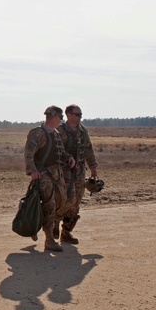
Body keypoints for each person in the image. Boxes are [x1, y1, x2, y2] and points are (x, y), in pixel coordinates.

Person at [24, 106, 75, 252]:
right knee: (49, 205)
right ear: (55, 118)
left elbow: (61, 151)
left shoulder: (56, 134)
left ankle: (35, 223)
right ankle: (49, 239)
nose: (61, 121)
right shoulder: (38, 133)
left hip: (57, 174)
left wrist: (68, 157)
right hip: (44, 175)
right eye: (60, 118)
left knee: (64, 201)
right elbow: (28, 153)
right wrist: (32, 171)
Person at [57, 104, 99, 245]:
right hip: (63, 172)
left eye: (81, 114)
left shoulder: (82, 131)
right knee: (64, 199)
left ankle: (66, 232)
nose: (80, 117)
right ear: (69, 115)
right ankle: (54, 222)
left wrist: (93, 167)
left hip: (80, 172)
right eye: (77, 114)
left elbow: (88, 150)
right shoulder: (60, 131)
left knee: (76, 202)